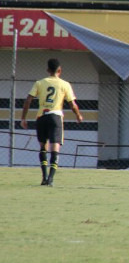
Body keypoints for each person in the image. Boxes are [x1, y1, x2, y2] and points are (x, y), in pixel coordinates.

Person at [20, 58, 83, 187]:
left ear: (48, 70)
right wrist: (78, 116)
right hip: (55, 117)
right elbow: (72, 103)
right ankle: (51, 179)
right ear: (59, 70)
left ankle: (44, 177)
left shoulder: (39, 83)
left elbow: (28, 100)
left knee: (43, 147)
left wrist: (23, 118)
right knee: (55, 148)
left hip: (41, 117)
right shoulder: (65, 84)